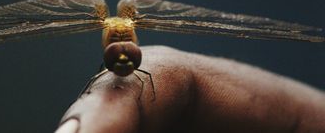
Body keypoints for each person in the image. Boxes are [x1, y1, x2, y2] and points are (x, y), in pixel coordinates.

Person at [56, 45, 325, 133]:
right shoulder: (110, 63)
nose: (124, 63)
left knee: (151, 78)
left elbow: (148, 76)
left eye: (132, 59)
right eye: (116, 59)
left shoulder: (145, 71)